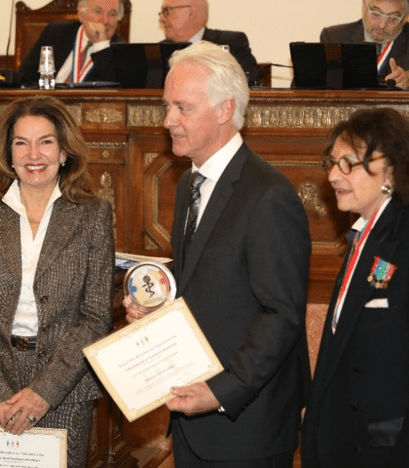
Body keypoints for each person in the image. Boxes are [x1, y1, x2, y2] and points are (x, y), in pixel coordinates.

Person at [124, 41, 311, 467]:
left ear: (225, 109)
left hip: (245, 426)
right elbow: (202, 282)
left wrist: (220, 391)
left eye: (182, 108)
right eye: (167, 106)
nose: (168, 120)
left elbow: (282, 315)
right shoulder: (188, 184)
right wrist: (156, 305)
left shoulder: (268, 195)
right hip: (192, 419)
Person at [0, 95, 114, 468]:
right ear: (8, 154)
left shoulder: (93, 214)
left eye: (46, 142)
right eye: (21, 143)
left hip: (64, 388)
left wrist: (44, 392)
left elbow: (95, 317)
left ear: (63, 152)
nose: (33, 154)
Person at [301, 108, 409, 468]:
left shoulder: (402, 237)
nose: (333, 175)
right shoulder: (363, 235)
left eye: (348, 163)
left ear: (390, 170)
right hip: (342, 440)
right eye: (332, 163)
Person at [19, 0, 124, 84]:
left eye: (112, 14)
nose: (105, 20)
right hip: (47, 101)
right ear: (81, 13)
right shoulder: (55, 32)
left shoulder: (122, 50)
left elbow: (113, 91)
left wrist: (101, 45)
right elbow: (25, 76)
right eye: (98, 11)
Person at [158, 0, 259, 86]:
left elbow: (247, 84)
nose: (161, 18)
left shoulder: (232, 42)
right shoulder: (157, 50)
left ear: (191, 12)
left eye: (167, 11)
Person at [320, 0, 409, 88]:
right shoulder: (333, 38)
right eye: (376, 14)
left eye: (393, 18)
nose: (382, 25)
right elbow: (327, 85)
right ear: (364, 7)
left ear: (405, 18)